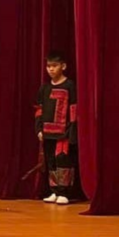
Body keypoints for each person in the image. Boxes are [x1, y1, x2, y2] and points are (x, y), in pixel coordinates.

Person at [36, 52, 78, 205]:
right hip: (48, 132)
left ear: (63, 66)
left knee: (63, 160)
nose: (51, 69)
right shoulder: (44, 88)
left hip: (63, 132)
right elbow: (39, 110)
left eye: (54, 66)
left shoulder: (70, 86)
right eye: (48, 66)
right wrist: (39, 129)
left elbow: (74, 108)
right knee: (51, 161)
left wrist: (72, 129)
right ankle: (54, 190)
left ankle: (64, 191)